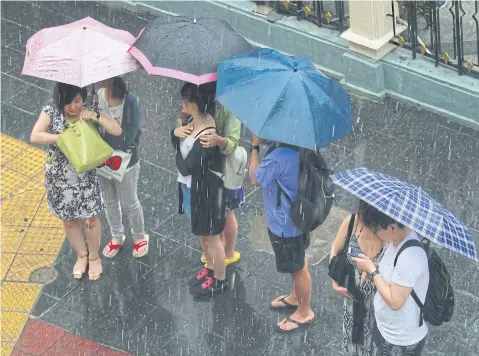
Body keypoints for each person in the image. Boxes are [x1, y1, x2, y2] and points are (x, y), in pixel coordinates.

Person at [30, 82, 122, 280]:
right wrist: (59, 138)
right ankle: (82, 256)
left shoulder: (89, 109)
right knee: (69, 221)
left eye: (77, 101)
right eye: (67, 102)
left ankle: (95, 257)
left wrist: (95, 116)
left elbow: (116, 130)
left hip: (85, 176)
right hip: (59, 177)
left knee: (90, 220)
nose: (73, 106)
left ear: (83, 98)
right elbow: (35, 135)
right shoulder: (51, 110)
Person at [249, 135, 315, 333]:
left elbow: (254, 177)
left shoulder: (279, 155)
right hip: (300, 217)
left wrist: (254, 146)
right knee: (299, 262)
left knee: (298, 269)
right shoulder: (303, 144)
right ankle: (296, 297)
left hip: (285, 225)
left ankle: (304, 312)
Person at [352, 201, 429, 356]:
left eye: (376, 229)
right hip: (386, 328)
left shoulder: (410, 257)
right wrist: (372, 267)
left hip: (401, 339)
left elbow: (395, 302)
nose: (374, 233)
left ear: (393, 227)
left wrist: (372, 271)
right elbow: (390, 268)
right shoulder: (395, 239)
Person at [172, 82, 227, 295]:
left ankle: (220, 280)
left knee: (212, 237)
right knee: (204, 235)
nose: (182, 105)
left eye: (185, 102)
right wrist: (177, 131)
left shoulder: (206, 135)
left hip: (205, 192)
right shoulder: (194, 119)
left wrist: (177, 141)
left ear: (193, 104)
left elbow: (186, 167)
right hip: (194, 189)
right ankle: (211, 268)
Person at [90, 77, 149, 259]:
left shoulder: (131, 102)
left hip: (125, 161)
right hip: (102, 159)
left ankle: (139, 235)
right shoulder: (96, 97)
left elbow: (127, 137)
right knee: (109, 201)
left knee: (129, 201)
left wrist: (99, 118)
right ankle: (117, 235)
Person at [197, 81, 243, 268]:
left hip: (224, 171)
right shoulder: (195, 102)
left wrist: (219, 141)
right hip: (202, 169)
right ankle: (214, 249)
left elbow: (232, 142)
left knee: (226, 212)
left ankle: (229, 251)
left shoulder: (230, 106)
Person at [330, 201, 384, 356]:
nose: (361, 218)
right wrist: (335, 280)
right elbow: (335, 249)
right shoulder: (352, 222)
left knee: (376, 349)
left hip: (379, 307)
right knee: (352, 347)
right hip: (352, 304)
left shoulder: (388, 235)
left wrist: (373, 270)